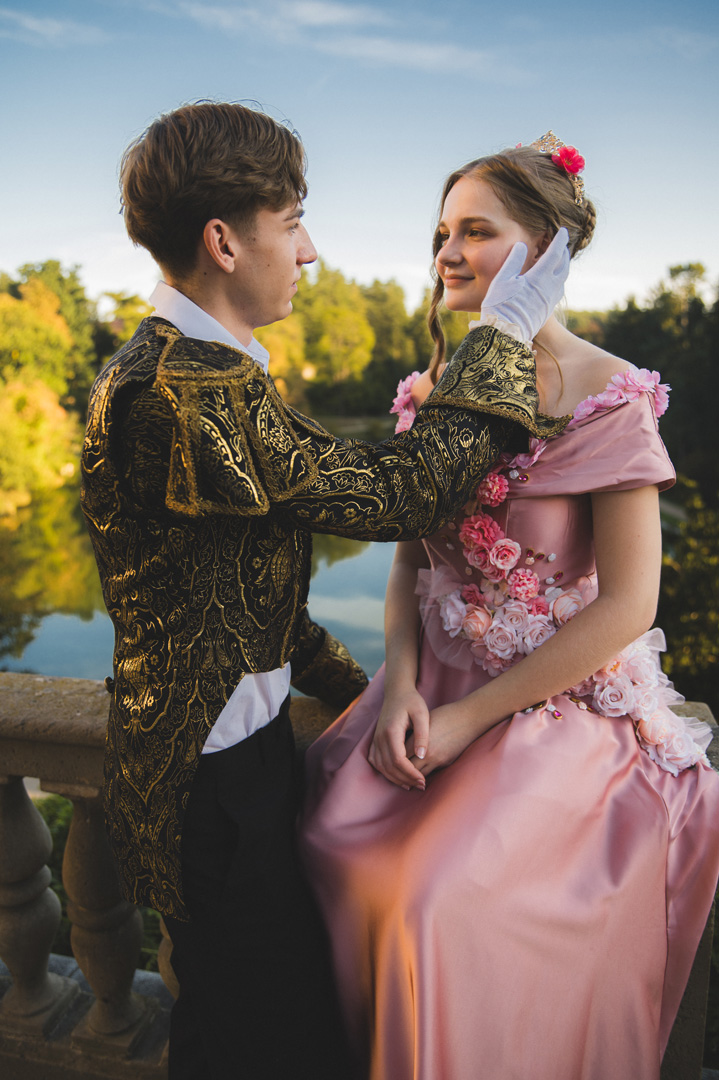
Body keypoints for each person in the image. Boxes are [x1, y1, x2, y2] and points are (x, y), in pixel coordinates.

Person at [80, 103, 571, 1080]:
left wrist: (357, 693)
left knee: (242, 1024)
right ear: (224, 242)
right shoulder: (182, 393)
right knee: (260, 1042)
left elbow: (242, 590)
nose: (308, 252)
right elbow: (396, 494)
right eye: (292, 222)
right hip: (211, 782)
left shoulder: (202, 372)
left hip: (234, 758)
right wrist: (503, 335)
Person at [300, 131, 719, 1080]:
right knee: (329, 832)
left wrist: (463, 722)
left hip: (554, 704)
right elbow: (410, 566)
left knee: (436, 898)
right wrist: (400, 688)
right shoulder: (436, 394)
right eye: (441, 234)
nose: (446, 253)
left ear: (545, 250)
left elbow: (628, 606)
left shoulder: (610, 395)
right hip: (435, 682)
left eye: (475, 232)